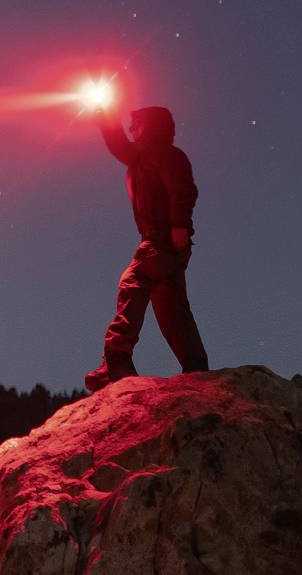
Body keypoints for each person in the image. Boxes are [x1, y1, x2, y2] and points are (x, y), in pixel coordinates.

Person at [85, 104, 210, 391]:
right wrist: (105, 117)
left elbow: (184, 189)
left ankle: (117, 358)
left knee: (134, 281)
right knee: (171, 305)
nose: (131, 130)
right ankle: (195, 366)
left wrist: (178, 225)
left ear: (151, 126)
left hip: (162, 239)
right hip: (160, 240)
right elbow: (122, 148)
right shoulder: (142, 159)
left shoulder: (168, 155)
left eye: (136, 124)